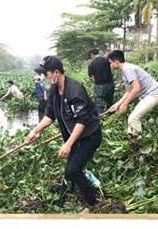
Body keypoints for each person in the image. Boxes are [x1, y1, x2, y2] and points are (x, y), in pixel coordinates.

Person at [26, 56, 102, 208]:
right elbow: (50, 116)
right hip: (74, 136)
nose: (44, 77)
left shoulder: (75, 90)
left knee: (73, 171)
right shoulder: (54, 90)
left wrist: (68, 144)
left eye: (45, 74)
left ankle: (93, 202)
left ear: (55, 72)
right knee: (70, 169)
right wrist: (34, 131)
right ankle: (65, 195)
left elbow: (82, 121)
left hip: (89, 136)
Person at [107, 50, 158, 135]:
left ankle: (137, 142)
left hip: (154, 94)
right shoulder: (125, 70)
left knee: (133, 118)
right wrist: (117, 104)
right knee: (133, 118)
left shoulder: (127, 69)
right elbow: (129, 91)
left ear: (116, 62)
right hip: (148, 95)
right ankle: (132, 138)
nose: (110, 65)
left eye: (110, 63)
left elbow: (137, 88)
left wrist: (125, 104)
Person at [87, 47, 115, 113]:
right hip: (110, 84)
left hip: (100, 86)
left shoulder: (91, 64)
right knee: (110, 102)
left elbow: (93, 79)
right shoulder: (106, 60)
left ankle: (100, 119)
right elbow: (112, 70)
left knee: (99, 105)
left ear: (91, 54)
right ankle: (112, 116)